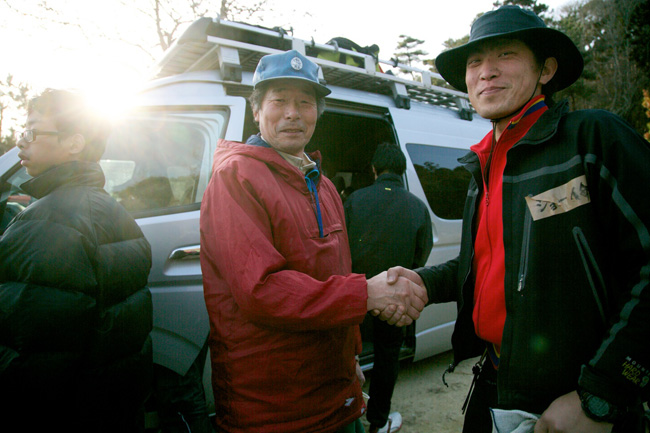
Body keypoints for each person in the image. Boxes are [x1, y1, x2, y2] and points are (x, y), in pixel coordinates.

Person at [384, 5, 650, 433]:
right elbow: (487, 265)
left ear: (546, 69)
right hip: (494, 383)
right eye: (474, 61)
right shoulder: (482, 165)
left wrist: (603, 395)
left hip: (576, 402)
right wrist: (423, 283)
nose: (486, 71)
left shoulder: (592, 139)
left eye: (505, 54)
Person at [199, 50, 427, 432]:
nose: (293, 113)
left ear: (317, 113)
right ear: (256, 110)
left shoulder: (323, 184)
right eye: (279, 101)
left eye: (305, 103)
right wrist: (365, 294)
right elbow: (261, 290)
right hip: (276, 407)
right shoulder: (235, 177)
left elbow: (339, 273)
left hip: (336, 394)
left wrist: (352, 356)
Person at [0, 88, 153, 432]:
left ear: (74, 143)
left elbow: (32, 359)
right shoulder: (114, 212)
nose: (20, 141)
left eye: (32, 131)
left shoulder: (48, 222)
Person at [344, 143, 433, 433]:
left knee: (346, 355)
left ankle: (344, 416)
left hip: (355, 294)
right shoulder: (417, 207)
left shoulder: (354, 200)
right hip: (394, 300)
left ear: (374, 169)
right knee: (387, 358)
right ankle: (378, 422)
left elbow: (339, 248)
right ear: (401, 170)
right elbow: (421, 257)